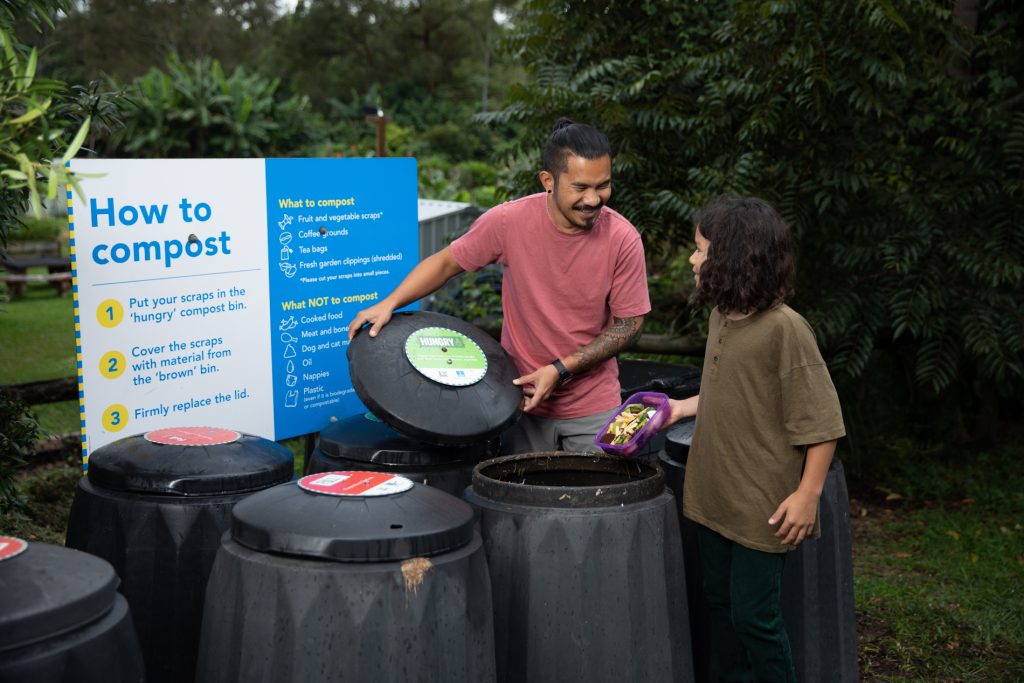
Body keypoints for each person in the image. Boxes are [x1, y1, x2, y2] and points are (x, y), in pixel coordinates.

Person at [348, 118, 650, 453]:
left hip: (595, 409)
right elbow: (446, 263)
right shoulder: (508, 221)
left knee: (597, 500)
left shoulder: (622, 238)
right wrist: (391, 302)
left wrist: (560, 370)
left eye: (603, 185)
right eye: (580, 188)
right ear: (548, 181)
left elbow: (629, 325)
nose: (594, 199)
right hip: (517, 404)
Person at [663, 196, 846, 682]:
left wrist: (807, 495)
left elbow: (824, 422)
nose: (692, 259)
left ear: (732, 259)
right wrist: (680, 408)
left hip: (761, 508)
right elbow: (729, 390)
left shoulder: (786, 330)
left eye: (700, 250)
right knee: (721, 607)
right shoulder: (722, 315)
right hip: (713, 497)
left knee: (754, 619)